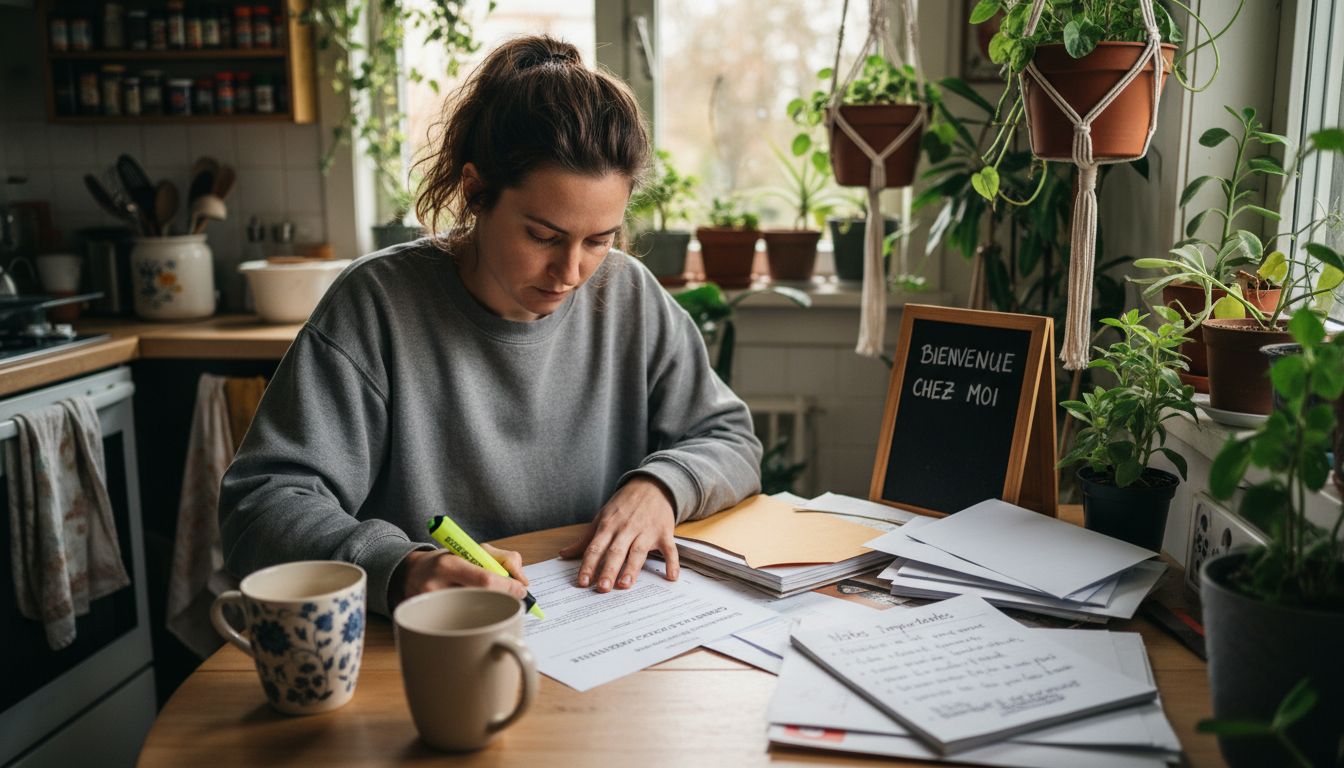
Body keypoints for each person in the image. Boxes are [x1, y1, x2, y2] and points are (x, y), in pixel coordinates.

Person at [219, 35, 763, 619]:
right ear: (476, 192)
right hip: (429, 645)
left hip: (595, 631)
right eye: (544, 236)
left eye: (598, 240)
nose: (571, 271)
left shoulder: (628, 294)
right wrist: (399, 568)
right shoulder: (376, 305)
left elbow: (732, 441)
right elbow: (262, 506)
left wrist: (661, 487)